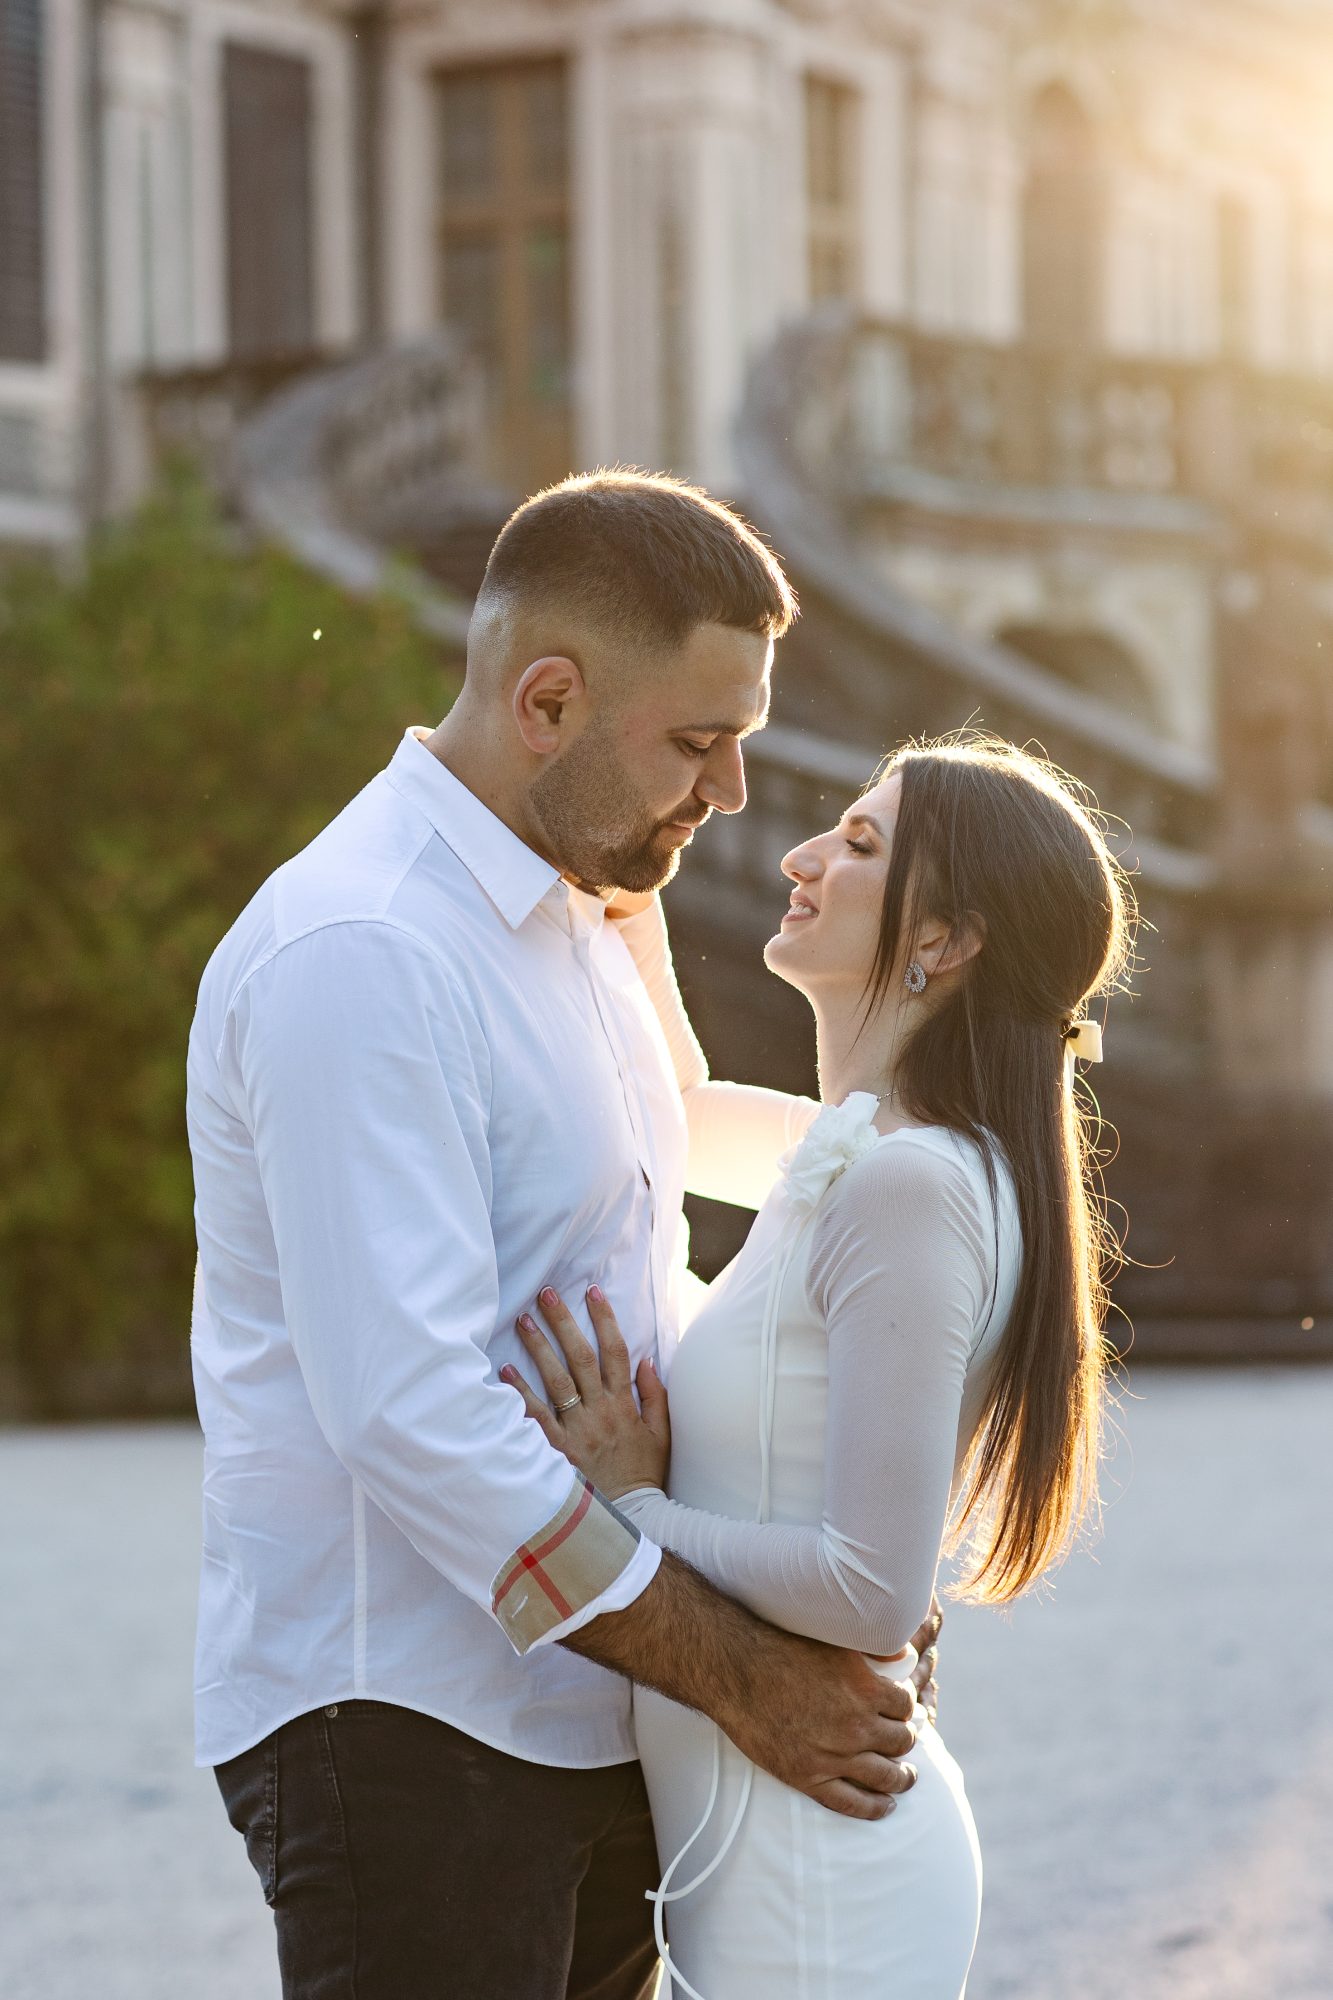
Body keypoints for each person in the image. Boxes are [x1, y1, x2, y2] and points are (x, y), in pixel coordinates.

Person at [187, 468, 940, 2000]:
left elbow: (658, 1189)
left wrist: (954, 1181)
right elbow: (411, 1413)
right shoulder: (364, 950)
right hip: (408, 1726)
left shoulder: (588, 909)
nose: (733, 794)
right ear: (547, 702)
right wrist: (746, 1672)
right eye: (699, 743)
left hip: (597, 1710)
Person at [504, 737, 1133, 1998]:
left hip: (823, 1875)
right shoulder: (854, 1150)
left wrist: (634, 1511)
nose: (798, 856)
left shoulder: (908, 1184)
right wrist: (625, 887)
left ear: (943, 939)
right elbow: (673, 1107)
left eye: (856, 843)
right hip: (776, 1849)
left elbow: (869, 1589)